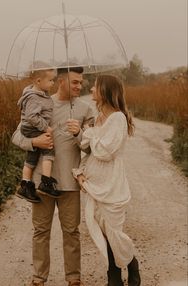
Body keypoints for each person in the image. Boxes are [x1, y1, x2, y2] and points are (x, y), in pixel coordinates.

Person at [26, 66, 95, 286]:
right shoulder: (40, 103)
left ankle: (74, 279)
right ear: (61, 81)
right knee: (41, 231)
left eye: (81, 82)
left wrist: (79, 134)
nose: (79, 86)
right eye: (75, 82)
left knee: (72, 232)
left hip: (70, 183)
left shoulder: (85, 110)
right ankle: (39, 278)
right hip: (41, 181)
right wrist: (34, 142)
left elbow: (93, 149)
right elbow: (17, 135)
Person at [73, 74, 141, 286]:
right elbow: (91, 153)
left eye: (94, 87)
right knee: (102, 230)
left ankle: (131, 264)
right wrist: (81, 172)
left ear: (105, 91)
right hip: (95, 183)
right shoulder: (98, 117)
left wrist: (88, 134)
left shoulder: (118, 118)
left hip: (111, 184)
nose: (91, 89)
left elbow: (104, 151)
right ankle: (113, 275)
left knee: (114, 231)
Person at [16, 69, 62, 204]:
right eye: (50, 80)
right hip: (32, 128)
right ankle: (45, 181)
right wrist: (45, 127)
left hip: (30, 129)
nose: (53, 83)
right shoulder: (34, 97)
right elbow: (31, 116)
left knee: (32, 156)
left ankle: (25, 184)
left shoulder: (39, 94)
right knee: (49, 147)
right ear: (38, 81)